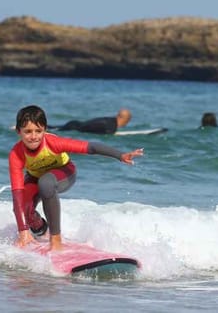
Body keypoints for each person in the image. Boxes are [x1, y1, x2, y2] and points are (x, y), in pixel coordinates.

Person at [9, 105, 143, 251]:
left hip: (64, 172)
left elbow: (91, 147)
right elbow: (17, 193)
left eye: (38, 131)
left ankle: (56, 239)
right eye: (28, 132)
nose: (34, 136)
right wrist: (23, 231)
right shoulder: (16, 154)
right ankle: (41, 233)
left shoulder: (53, 143)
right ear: (18, 132)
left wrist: (120, 155)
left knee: (46, 183)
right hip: (35, 177)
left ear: (45, 130)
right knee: (23, 208)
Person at [50, 108, 132, 134]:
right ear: (125, 119)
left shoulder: (109, 120)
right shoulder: (111, 126)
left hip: (74, 124)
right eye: (128, 120)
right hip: (73, 127)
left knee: (51, 128)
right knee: (50, 130)